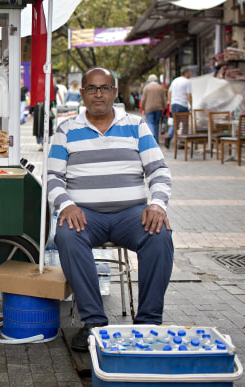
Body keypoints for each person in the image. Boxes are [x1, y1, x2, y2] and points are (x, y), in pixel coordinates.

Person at [47, 67, 172, 352]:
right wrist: (66, 205)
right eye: (92, 88)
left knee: (160, 235)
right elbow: (53, 177)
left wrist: (157, 204)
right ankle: (93, 323)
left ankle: (149, 323)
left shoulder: (136, 125)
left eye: (105, 88)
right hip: (86, 215)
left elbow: (159, 171)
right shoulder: (67, 129)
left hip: (131, 214)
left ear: (115, 92)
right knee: (66, 234)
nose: (98, 94)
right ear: (83, 93)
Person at [164, 67, 193, 149]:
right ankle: (182, 143)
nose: (190, 74)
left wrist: (170, 102)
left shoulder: (175, 80)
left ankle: (169, 136)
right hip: (183, 105)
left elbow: (169, 92)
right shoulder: (187, 82)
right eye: (189, 72)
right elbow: (189, 94)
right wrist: (190, 105)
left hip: (174, 105)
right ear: (186, 73)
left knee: (175, 123)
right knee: (185, 124)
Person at [140, 75, 167, 140]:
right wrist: (165, 107)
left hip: (149, 108)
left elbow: (143, 99)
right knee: (157, 123)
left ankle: (152, 136)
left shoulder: (146, 87)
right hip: (159, 108)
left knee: (150, 122)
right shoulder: (160, 87)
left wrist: (143, 108)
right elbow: (164, 99)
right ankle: (156, 139)